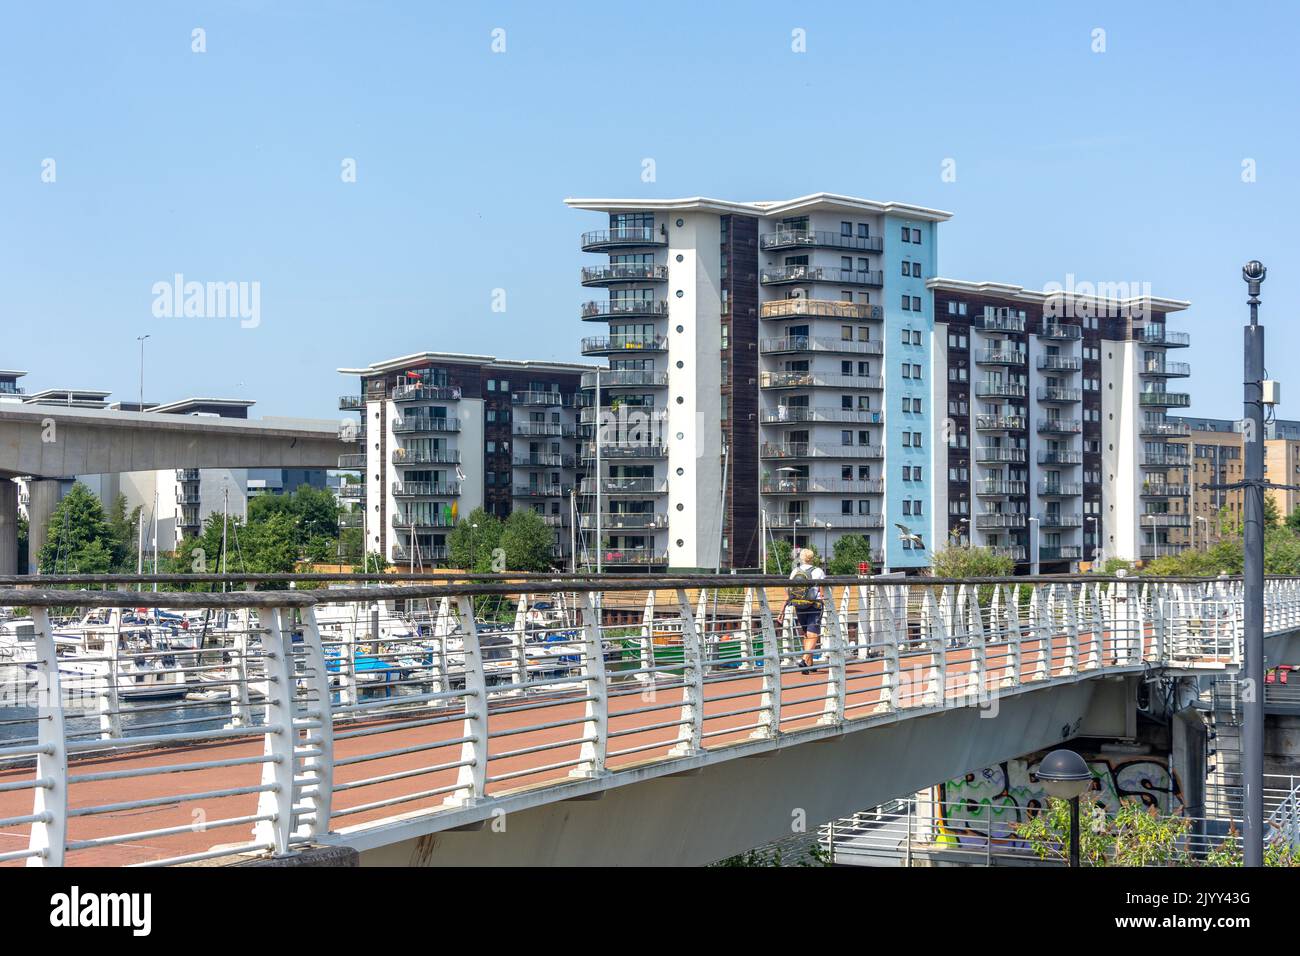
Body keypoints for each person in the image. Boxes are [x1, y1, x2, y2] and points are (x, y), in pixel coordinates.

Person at [787, 548, 826, 672]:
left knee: (806, 633)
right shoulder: (818, 571)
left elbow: (788, 588)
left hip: (799, 605)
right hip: (814, 605)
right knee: (813, 633)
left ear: (802, 559)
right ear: (812, 558)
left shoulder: (795, 571)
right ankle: (804, 660)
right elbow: (822, 590)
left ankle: (810, 663)